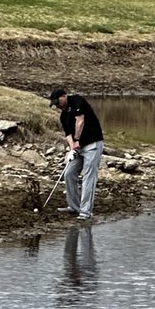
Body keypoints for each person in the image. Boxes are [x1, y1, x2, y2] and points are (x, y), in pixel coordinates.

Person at [48, 86, 104, 220]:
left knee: (88, 176)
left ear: (64, 96)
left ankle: (85, 212)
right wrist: (72, 148)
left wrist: (77, 140)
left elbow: (80, 121)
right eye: (55, 104)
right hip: (79, 147)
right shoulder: (63, 115)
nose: (57, 106)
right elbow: (68, 134)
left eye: (58, 102)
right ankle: (74, 206)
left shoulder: (77, 101)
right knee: (69, 173)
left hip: (92, 144)